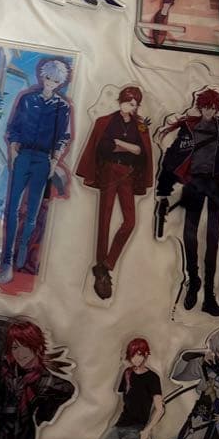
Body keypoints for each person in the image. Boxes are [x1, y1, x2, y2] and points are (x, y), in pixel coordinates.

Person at [154, 88, 219, 317]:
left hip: (217, 184)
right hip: (195, 183)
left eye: (212, 107)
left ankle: (209, 296)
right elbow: (171, 158)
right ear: (200, 107)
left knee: (213, 240)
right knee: (190, 234)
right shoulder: (189, 128)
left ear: (217, 108)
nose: (208, 111)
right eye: (205, 107)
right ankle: (193, 280)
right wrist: (163, 191)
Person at [0, 59, 72, 286]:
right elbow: (13, 128)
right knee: (12, 209)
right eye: (48, 78)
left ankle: (23, 246)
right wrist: (13, 150)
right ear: (42, 76)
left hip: (43, 161)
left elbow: (63, 137)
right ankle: (6, 262)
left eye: (55, 80)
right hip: (23, 156)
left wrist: (54, 160)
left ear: (60, 83)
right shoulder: (27, 99)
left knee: (32, 211)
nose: (50, 83)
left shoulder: (62, 107)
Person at [76, 85, 154, 300]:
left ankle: (107, 263)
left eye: (135, 104)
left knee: (130, 222)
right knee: (105, 219)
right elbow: (103, 148)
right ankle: (101, 266)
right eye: (129, 102)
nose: (132, 106)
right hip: (110, 172)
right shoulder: (106, 122)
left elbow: (141, 153)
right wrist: (128, 146)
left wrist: (120, 144)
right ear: (121, 101)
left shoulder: (140, 126)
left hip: (127, 174)